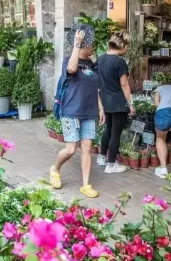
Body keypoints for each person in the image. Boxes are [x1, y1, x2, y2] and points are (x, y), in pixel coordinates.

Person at [49, 24, 104, 199]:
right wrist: (76, 45)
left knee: (87, 148)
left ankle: (86, 185)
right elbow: (72, 69)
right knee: (71, 149)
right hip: (71, 110)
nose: (93, 47)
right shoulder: (69, 60)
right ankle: (55, 168)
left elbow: (96, 89)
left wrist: (101, 107)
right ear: (84, 44)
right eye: (92, 44)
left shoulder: (91, 65)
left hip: (89, 111)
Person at [96, 31, 134, 174]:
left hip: (105, 101)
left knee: (108, 130)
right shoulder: (120, 62)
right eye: (127, 46)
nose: (127, 49)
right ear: (122, 45)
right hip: (118, 102)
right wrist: (130, 103)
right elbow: (124, 85)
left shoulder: (100, 59)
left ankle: (101, 157)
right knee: (116, 133)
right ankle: (111, 164)